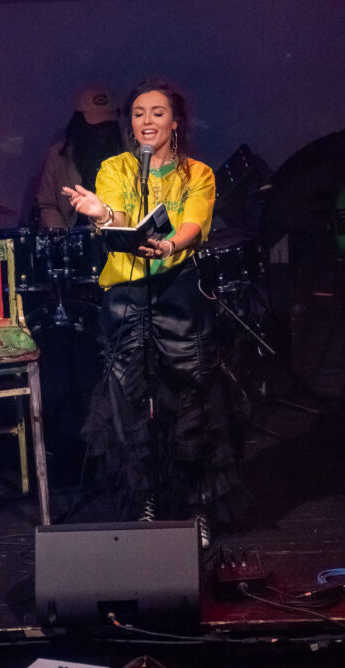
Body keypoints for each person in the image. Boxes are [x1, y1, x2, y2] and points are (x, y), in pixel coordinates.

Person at [63, 78, 244, 546]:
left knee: (191, 398)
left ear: (175, 122)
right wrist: (103, 214)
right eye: (139, 113)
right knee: (128, 400)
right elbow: (121, 220)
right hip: (126, 294)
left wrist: (169, 245)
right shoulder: (116, 168)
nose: (147, 121)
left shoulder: (197, 173)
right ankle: (144, 501)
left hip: (178, 293)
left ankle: (197, 503)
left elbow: (194, 223)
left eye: (157, 112)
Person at [36, 83, 123, 229]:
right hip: (72, 234)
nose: (102, 133)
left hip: (116, 234)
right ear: (80, 121)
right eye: (95, 126)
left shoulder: (127, 153)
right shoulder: (59, 155)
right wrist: (62, 234)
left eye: (107, 125)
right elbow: (47, 205)